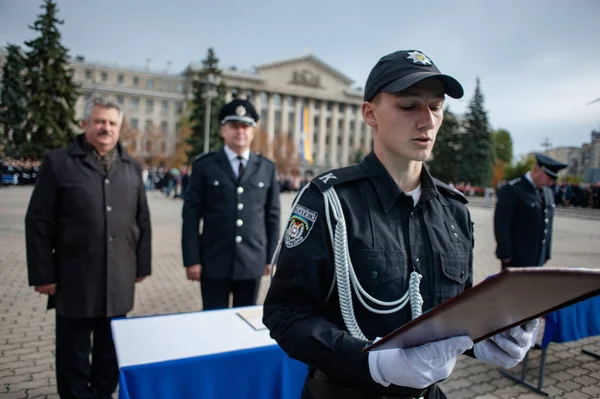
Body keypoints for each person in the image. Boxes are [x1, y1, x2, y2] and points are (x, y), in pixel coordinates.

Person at [263, 50, 538, 399]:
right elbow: (285, 313)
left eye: (436, 107)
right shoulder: (329, 201)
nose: (428, 121)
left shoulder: (453, 211)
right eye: (409, 106)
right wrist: (370, 362)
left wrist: (484, 337)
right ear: (370, 113)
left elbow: (452, 311)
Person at [24, 97, 152, 399]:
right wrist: (43, 274)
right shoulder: (58, 162)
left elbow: (142, 220)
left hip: (119, 278)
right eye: (99, 121)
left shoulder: (132, 168)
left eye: (112, 123)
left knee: (110, 355)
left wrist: (141, 266)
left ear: (120, 128)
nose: (105, 128)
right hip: (74, 278)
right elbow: (38, 221)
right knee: (73, 355)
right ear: (85, 125)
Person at [182, 98, 280, 310]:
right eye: (234, 126)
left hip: (252, 260)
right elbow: (190, 216)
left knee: (244, 324)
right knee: (212, 323)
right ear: (223, 130)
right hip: (213, 260)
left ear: (253, 132)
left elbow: (272, 216)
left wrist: (271, 257)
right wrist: (192, 259)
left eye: (246, 126)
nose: (240, 131)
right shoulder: (204, 166)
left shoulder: (267, 168)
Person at [494, 154, 567, 269]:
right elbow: (501, 224)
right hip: (517, 257)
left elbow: (548, 225)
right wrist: (505, 253)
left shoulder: (547, 193)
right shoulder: (513, 189)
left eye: (552, 180)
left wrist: (546, 252)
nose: (550, 183)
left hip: (538, 256)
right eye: (548, 179)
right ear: (536, 170)